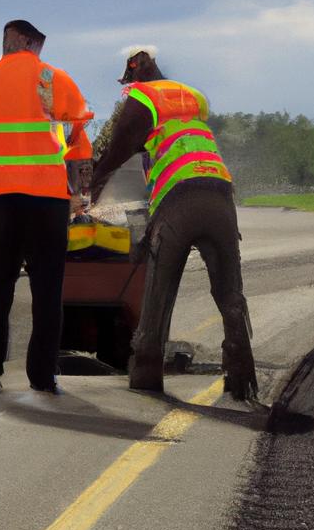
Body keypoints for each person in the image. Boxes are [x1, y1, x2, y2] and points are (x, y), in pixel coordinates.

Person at [89, 46, 258, 401]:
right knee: (230, 294)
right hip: (221, 195)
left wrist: (91, 195)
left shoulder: (141, 98)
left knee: (158, 293)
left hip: (179, 201)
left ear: (133, 75)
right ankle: (241, 376)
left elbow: (113, 156)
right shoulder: (191, 97)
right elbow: (173, 143)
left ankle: (147, 375)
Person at [0, 20, 93, 394]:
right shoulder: (55, 79)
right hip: (49, 202)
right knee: (47, 291)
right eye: (37, 47)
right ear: (26, 42)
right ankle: (43, 377)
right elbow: (79, 145)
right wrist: (76, 196)